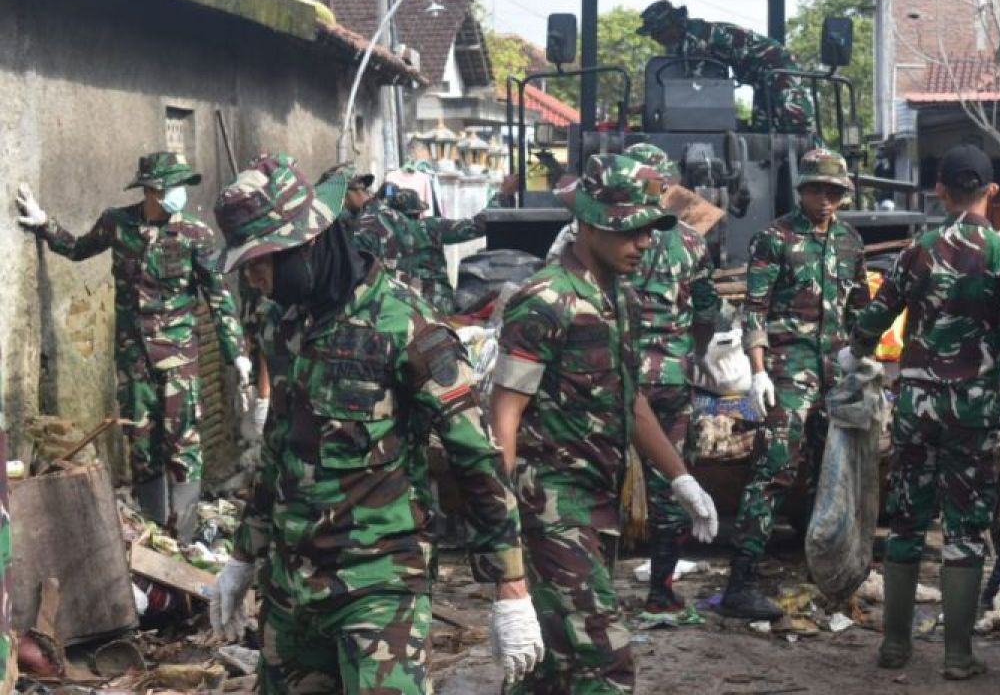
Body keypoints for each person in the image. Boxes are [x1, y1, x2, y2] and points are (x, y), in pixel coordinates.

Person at [206, 154, 543, 692]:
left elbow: (475, 456)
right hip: (292, 592)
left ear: (309, 242)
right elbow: (278, 455)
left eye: (262, 261)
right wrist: (245, 555)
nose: (254, 279)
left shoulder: (405, 325)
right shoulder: (283, 322)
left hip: (378, 591)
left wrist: (511, 586)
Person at [490, 152, 719, 694]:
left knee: (547, 668)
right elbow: (503, 420)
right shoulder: (545, 301)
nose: (644, 244)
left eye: (650, 231)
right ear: (589, 225)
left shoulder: (620, 297)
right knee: (604, 662)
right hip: (548, 507)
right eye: (631, 232)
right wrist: (503, 555)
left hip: (597, 500)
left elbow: (630, 398)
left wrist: (679, 476)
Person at [841, 144, 1000, 680]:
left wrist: (853, 351)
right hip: (973, 413)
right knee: (965, 529)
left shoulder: (916, 250)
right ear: (992, 190)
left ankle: (894, 646)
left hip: (917, 407)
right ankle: (958, 656)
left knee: (906, 522)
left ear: (939, 189)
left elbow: (876, 317)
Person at [15, 152, 250, 541]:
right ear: (153, 190)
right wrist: (44, 224)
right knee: (142, 445)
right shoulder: (117, 224)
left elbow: (219, 298)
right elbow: (77, 248)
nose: (181, 194)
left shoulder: (196, 235)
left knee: (183, 444)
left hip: (179, 360)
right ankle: (156, 536)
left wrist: (236, 353)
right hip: (134, 359)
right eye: (174, 186)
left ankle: (187, 537)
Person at [719, 148, 870, 621]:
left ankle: (826, 570)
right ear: (801, 190)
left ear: (843, 195)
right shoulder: (775, 239)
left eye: (832, 191)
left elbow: (862, 309)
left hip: (836, 371)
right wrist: (759, 370)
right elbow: (755, 310)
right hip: (788, 370)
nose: (823, 200)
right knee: (774, 469)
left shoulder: (849, 242)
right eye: (815, 190)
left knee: (833, 469)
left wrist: (865, 362)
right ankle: (740, 582)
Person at [621, 143, 720, 613]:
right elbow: (707, 309)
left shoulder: (607, 236)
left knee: (600, 478)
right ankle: (661, 591)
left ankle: (591, 587)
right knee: (670, 482)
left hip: (616, 377)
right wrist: (696, 353)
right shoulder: (692, 240)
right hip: (672, 376)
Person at [638, 0, 814, 134]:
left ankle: (816, 152)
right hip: (759, 76)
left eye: (656, 32)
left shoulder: (695, 40)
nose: (655, 38)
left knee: (794, 118)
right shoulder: (688, 38)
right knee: (764, 127)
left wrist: (657, 108)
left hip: (775, 64)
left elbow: (693, 88)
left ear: (670, 27)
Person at [358, 175, 518, 314]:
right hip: (435, 307)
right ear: (416, 213)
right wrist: (503, 193)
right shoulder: (428, 228)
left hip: (394, 308)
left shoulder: (370, 233)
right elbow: (477, 226)